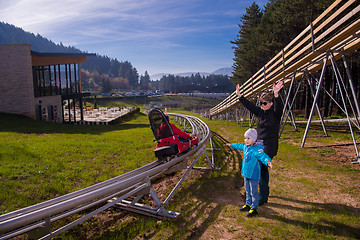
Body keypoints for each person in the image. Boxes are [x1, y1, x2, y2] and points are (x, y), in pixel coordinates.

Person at [236, 81, 284, 206]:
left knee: (262, 169)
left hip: (269, 146)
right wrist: (239, 95)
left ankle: (262, 197)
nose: (262, 105)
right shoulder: (260, 113)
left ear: (271, 103)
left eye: (265, 103)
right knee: (254, 167)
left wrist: (276, 93)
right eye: (261, 103)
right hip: (258, 145)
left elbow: (280, 107)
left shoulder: (275, 114)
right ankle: (251, 193)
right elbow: (249, 106)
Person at [226, 128, 273, 217]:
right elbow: (239, 145)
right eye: (245, 138)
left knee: (253, 192)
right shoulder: (245, 146)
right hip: (246, 173)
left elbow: (263, 156)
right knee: (247, 190)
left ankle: (254, 208)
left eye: (248, 138)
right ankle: (248, 204)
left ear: (254, 139)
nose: (246, 140)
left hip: (253, 175)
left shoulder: (257, 149)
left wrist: (268, 161)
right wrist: (231, 145)